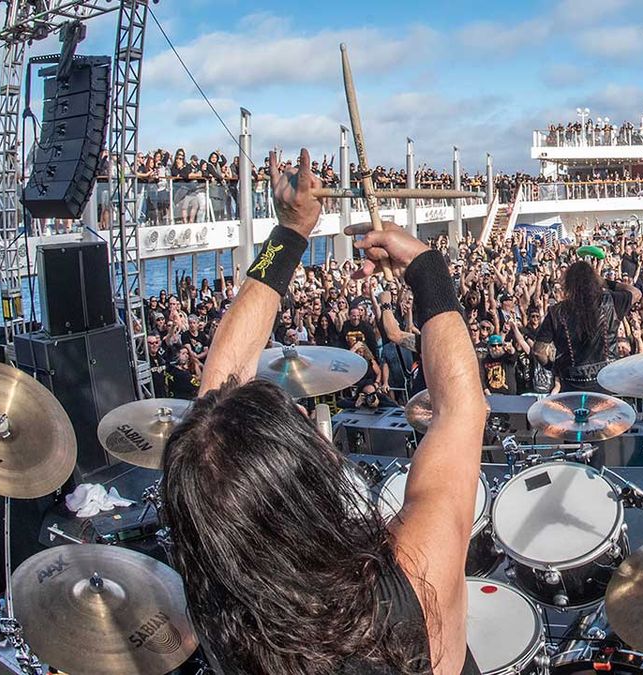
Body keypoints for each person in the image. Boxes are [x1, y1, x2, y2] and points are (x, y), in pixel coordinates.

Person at [159, 149, 487, 674]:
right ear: (311, 480)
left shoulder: (220, 613)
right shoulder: (408, 581)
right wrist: (426, 269)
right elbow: (461, 411)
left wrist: (290, 233)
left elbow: (216, 402)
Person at [533, 259, 641, 393]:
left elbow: (538, 351)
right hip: (606, 382)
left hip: (572, 385)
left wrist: (555, 369)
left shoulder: (556, 312)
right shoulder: (610, 301)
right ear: (594, 282)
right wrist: (605, 282)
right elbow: (636, 293)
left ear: (568, 284)